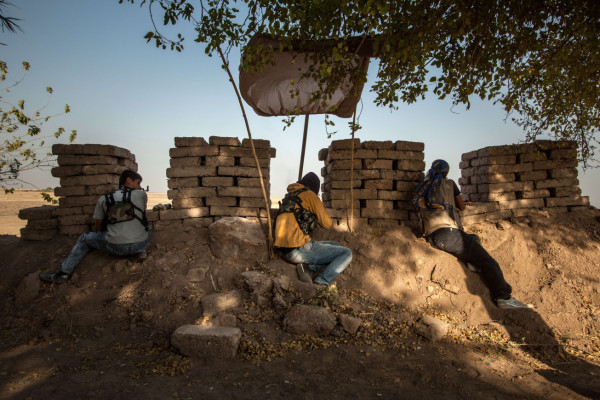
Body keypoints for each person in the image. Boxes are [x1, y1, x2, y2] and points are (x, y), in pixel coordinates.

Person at [411, 159, 531, 309]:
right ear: (446, 172)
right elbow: (461, 207)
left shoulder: (423, 186)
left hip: (433, 235)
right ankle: (504, 297)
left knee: (474, 239)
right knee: (489, 262)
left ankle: (471, 262)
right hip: (449, 233)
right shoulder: (449, 184)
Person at [39, 170, 152, 284]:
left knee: (84, 238)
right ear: (128, 181)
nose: (139, 187)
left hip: (116, 246)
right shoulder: (142, 195)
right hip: (139, 244)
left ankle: (63, 274)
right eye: (138, 183)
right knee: (147, 228)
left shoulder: (104, 199)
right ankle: (141, 252)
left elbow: (98, 224)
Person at [274, 172, 352, 286]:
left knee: (335, 244)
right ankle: (321, 282)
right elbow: (326, 224)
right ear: (315, 186)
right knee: (346, 253)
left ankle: (309, 269)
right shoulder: (310, 196)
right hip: (297, 250)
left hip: (283, 249)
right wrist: (318, 210)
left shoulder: (290, 195)